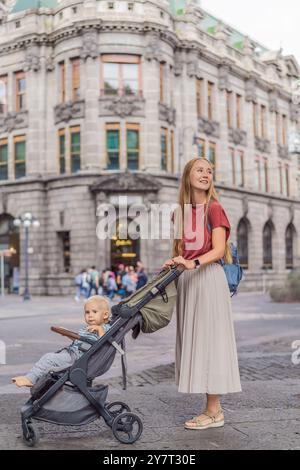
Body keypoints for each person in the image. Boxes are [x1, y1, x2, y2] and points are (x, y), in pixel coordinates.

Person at [163, 157, 241, 430]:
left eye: (210, 170)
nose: (206, 173)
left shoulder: (215, 209)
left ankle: (214, 410)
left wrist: (192, 263)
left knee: (211, 342)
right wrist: (175, 261)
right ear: (187, 176)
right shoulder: (178, 214)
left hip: (208, 278)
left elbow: (219, 250)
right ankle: (211, 409)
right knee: (196, 341)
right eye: (200, 169)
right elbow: (180, 251)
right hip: (189, 281)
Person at [11, 296, 111, 387]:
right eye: (87, 312)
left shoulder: (105, 328)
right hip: (72, 352)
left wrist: (100, 330)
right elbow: (83, 341)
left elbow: (103, 346)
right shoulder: (89, 327)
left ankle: (30, 379)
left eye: (94, 312)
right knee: (49, 359)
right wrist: (68, 334)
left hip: (79, 358)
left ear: (105, 315)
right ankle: (36, 381)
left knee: (49, 359)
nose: (90, 315)